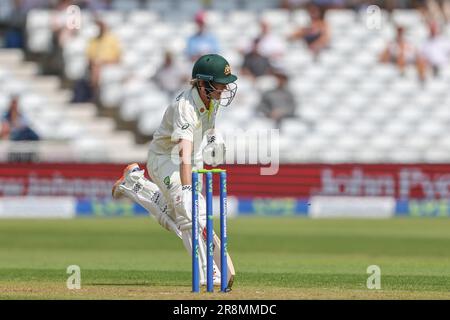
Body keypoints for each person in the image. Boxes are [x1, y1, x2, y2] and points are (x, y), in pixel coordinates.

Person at [111, 54, 238, 289]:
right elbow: (183, 152)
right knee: (189, 212)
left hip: (193, 159)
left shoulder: (213, 98)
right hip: (165, 159)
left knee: (180, 217)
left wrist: (212, 139)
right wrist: (187, 188)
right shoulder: (184, 107)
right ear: (202, 83)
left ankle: (134, 183)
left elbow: (208, 128)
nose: (224, 88)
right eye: (220, 83)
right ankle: (207, 274)